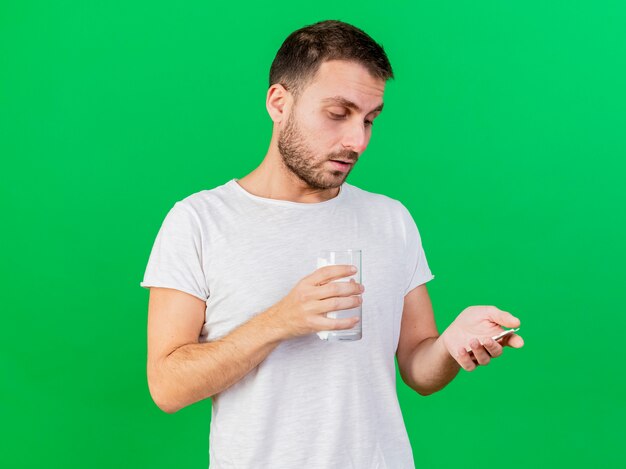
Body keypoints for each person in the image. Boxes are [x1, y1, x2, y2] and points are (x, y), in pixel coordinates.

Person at [140, 19, 524, 469]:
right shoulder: (199, 222)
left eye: (369, 120)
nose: (356, 140)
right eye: (338, 114)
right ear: (279, 103)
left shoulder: (390, 219)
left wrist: (450, 347)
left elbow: (419, 369)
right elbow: (167, 386)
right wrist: (279, 321)